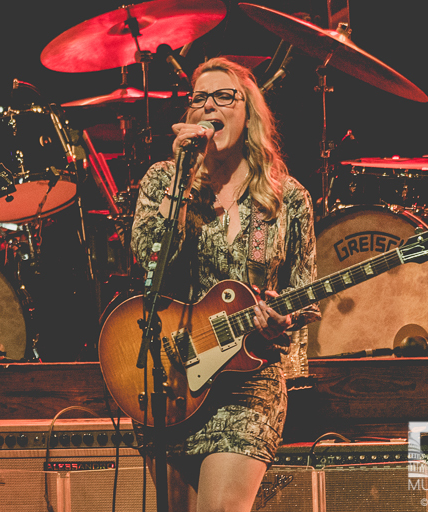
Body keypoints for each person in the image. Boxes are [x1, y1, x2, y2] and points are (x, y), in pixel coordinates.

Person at [130, 57, 320, 512]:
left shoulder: (287, 197)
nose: (209, 105)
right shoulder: (163, 180)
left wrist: (282, 322)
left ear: (249, 113)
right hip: (173, 376)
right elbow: (150, 261)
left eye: (223, 96)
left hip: (249, 383)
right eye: (199, 98)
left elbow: (305, 291)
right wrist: (181, 176)